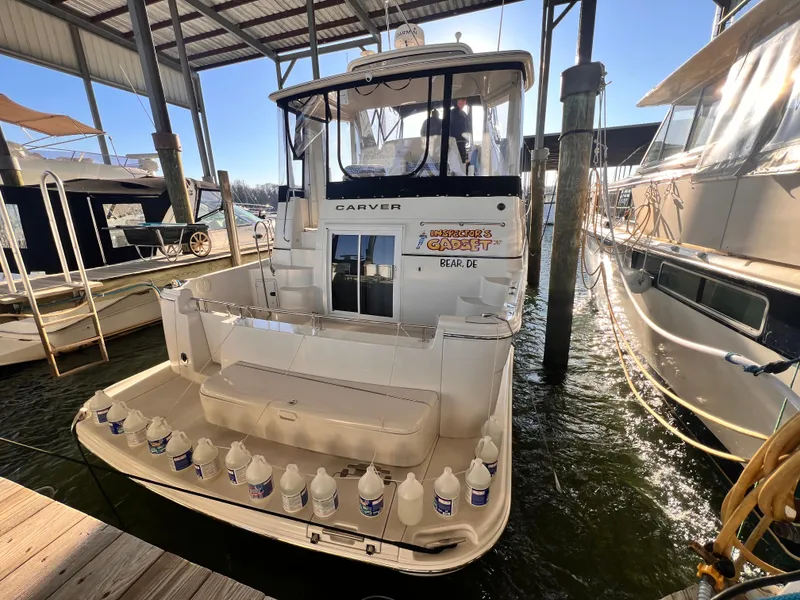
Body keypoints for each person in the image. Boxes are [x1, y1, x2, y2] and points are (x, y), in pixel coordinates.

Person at [449, 98, 470, 165]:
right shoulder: (452, 112)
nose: (464, 102)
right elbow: (450, 125)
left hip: (462, 140)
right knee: (457, 158)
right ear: (458, 102)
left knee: (462, 158)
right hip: (455, 140)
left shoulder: (464, 113)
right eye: (462, 100)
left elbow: (466, 126)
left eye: (465, 101)